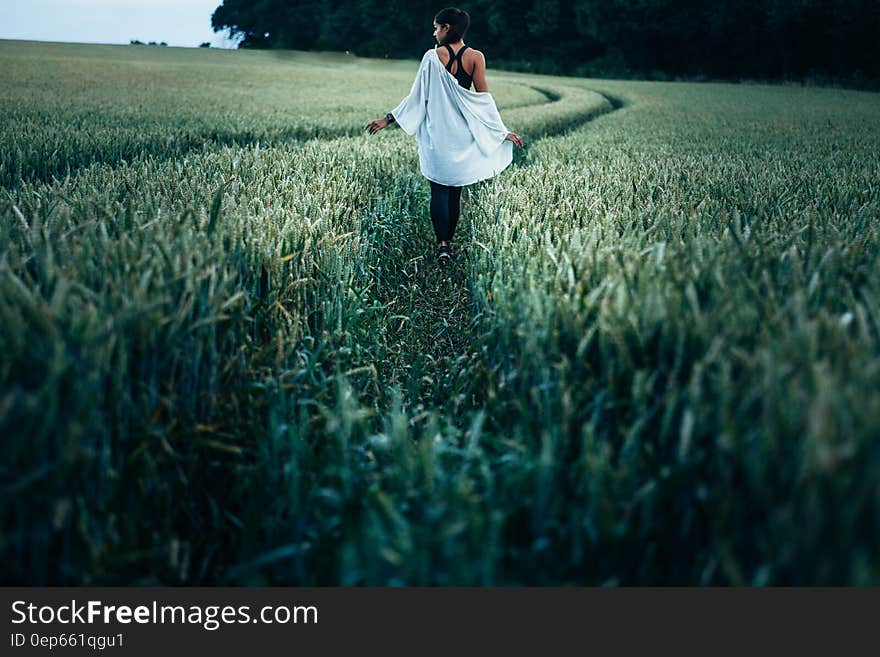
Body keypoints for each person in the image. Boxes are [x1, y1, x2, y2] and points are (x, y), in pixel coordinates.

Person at [365, 7, 524, 263]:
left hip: (437, 135)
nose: (434, 32)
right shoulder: (476, 57)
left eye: (437, 27)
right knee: (455, 190)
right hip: (462, 135)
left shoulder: (431, 57)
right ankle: (448, 246)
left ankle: (442, 245)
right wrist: (501, 132)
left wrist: (388, 118)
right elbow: (482, 100)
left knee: (438, 189)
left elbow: (417, 96)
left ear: (447, 28)